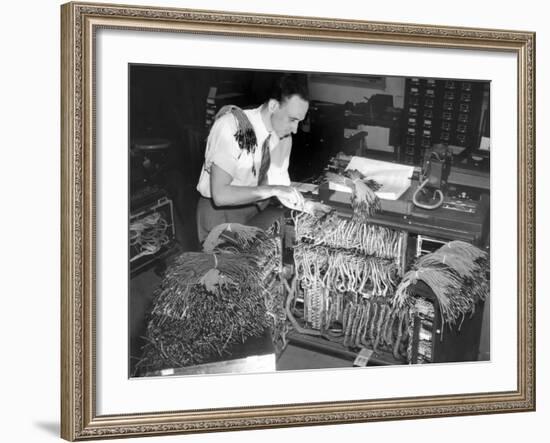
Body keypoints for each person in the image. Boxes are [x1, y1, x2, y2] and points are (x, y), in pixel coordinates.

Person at [196, 73, 309, 243]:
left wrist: (307, 205)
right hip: (220, 215)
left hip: (254, 210)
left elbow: (280, 184)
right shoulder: (232, 126)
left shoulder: (284, 137)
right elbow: (220, 195)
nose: (295, 129)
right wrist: (273, 190)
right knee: (227, 268)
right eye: (292, 119)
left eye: (299, 121)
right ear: (273, 106)